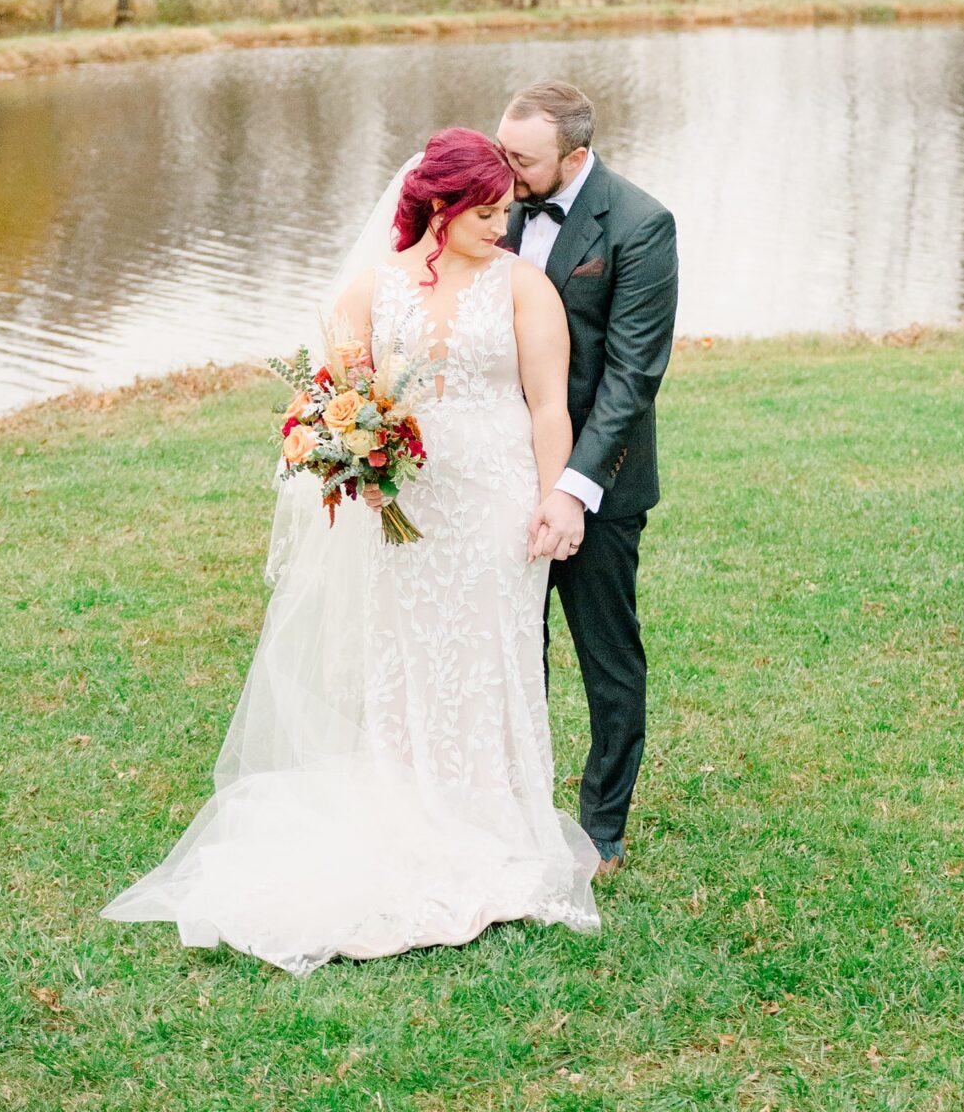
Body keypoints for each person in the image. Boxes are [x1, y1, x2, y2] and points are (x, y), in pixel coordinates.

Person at [101, 130, 600, 973]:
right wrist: (353, 467)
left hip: (496, 506)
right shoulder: (368, 292)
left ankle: (496, 820)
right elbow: (340, 401)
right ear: (437, 207)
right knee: (403, 655)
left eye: (507, 210)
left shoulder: (526, 288)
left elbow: (549, 405)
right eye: (485, 214)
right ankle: (409, 813)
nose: (502, 226)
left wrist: (558, 497)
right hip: (403, 508)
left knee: (491, 655)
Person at [495, 81, 679, 874]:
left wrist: (571, 487)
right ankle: (512, 804)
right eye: (502, 149)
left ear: (573, 157)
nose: (505, 171)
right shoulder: (489, 208)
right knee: (507, 647)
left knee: (607, 656)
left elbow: (631, 378)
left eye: (522, 159)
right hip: (499, 472)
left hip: (597, 487)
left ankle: (602, 826)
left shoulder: (639, 225)